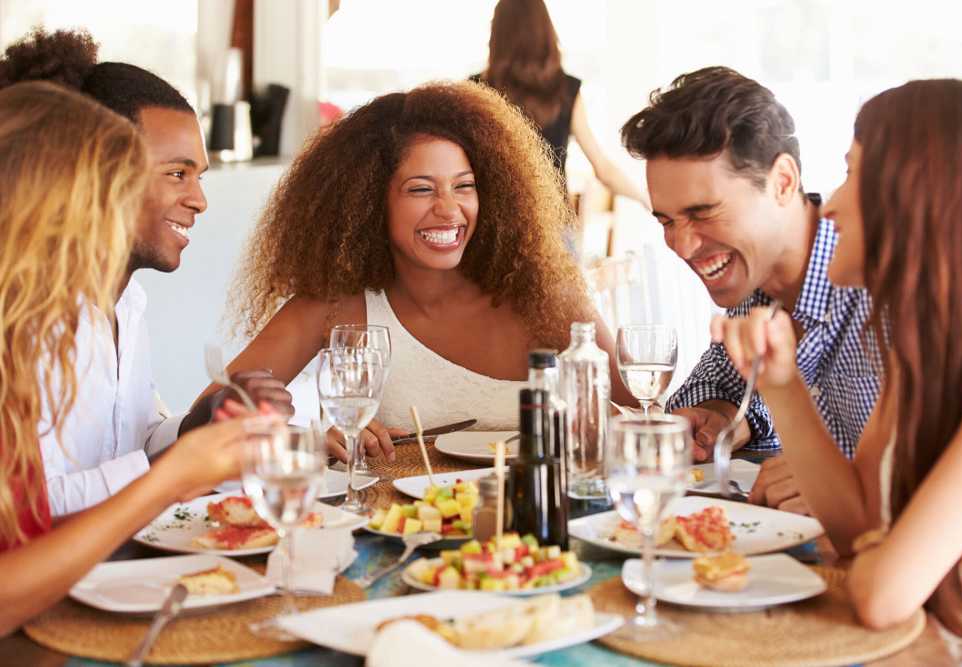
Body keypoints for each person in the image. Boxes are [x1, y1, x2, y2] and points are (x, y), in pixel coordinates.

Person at [713, 79, 962, 660]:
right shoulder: (921, 347)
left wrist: (880, 549)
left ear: (915, 196)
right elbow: (853, 526)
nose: (834, 202)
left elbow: (880, 594)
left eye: (852, 173)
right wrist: (782, 386)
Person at [220, 81, 633, 461]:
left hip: (536, 530)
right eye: (421, 189)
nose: (449, 210)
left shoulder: (546, 297)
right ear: (367, 201)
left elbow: (639, 412)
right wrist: (302, 438)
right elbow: (213, 419)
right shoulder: (335, 307)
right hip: (397, 533)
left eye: (464, 186)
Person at [0, 80, 263, 636]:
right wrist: (168, 477)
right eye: (107, 197)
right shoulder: (26, 337)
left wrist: (198, 434)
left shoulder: (93, 311)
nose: (115, 223)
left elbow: (131, 437)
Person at [0, 28, 291, 516]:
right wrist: (175, 470)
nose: (199, 199)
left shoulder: (128, 302)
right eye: (177, 173)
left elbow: (127, 445)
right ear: (96, 172)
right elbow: (31, 507)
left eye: (199, 176)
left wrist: (197, 423)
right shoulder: (26, 315)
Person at [620, 66, 880, 514]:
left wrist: (843, 480)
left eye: (703, 212)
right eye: (666, 220)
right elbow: (713, 386)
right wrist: (722, 415)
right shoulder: (753, 281)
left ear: (782, 182)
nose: (681, 245)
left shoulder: (882, 285)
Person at [474, 0, 648, 209]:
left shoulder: (475, 89)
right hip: (552, 224)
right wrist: (645, 200)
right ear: (546, 33)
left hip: (493, 221)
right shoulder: (566, 90)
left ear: (496, 34)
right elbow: (602, 168)